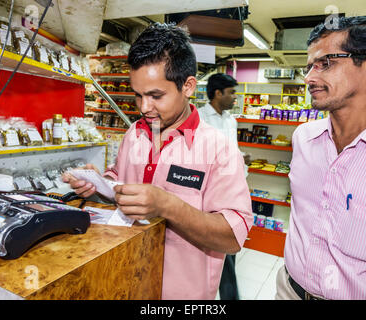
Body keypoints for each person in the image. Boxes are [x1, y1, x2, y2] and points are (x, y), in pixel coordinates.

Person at [62, 23, 253, 300]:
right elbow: (120, 179)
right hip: (123, 279)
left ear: (188, 86)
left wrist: (167, 205)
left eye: (156, 96)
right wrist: (99, 184)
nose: (143, 108)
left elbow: (233, 238)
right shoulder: (134, 134)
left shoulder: (218, 150)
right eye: (138, 95)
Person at [276, 16, 366, 300]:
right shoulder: (304, 139)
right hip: (290, 291)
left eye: (326, 63)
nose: (309, 78)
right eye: (309, 66)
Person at [198, 73, 250, 300]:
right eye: (231, 93)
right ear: (218, 93)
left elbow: (231, 151)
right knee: (222, 252)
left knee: (228, 251)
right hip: (207, 196)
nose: (234, 98)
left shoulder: (231, 120)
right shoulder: (199, 118)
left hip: (230, 192)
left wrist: (240, 159)